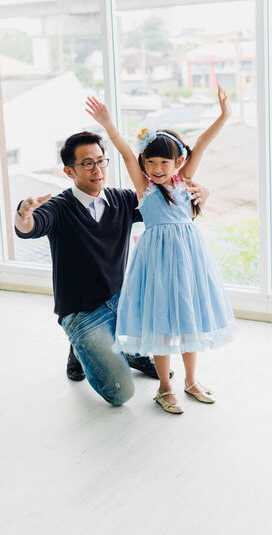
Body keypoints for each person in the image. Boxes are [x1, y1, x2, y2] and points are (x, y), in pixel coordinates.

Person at [15, 130, 210, 406]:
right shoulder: (59, 208)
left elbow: (169, 208)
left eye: (100, 161)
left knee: (161, 320)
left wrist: (202, 193)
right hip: (84, 312)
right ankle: (80, 347)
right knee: (120, 394)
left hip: (122, 301)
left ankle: (125, 348)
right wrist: (23, 215)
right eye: (86, 163)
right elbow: (31, 227)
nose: (97, 169)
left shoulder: (122, 199)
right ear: (69, 171)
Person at [85, 86, 235, 414]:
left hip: (189, 259)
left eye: (163, 162)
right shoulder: (145, 188)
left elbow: (203, 144)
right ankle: (165, 386)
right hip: (156, 260)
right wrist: (109, 126)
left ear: (177, 161)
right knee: (162, 321)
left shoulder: (184, 181)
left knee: (188, 318)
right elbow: (125, 152)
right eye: (149, 162)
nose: (156, 168)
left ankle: (191, 380)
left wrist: (224, 116)